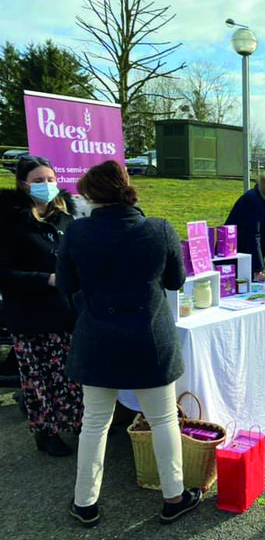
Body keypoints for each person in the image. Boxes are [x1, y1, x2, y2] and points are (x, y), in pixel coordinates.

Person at [56, 161, 201, 528]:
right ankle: (174, 497)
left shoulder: (77, 232)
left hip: (98, 337)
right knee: (164, 420)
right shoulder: (159, 228)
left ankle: (84, 503)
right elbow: (175, 281)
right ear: (127, 187)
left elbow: (65, 286)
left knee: (95, 423)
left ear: (90, 195)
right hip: (148, 337)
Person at [0, 156, 83, 456]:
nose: (47, 186)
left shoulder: (66, 220)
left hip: (65, 312)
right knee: (38, 379)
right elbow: (4, 274)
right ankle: (45, 432)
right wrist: (44, 279)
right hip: (30, 315)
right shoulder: (10, 222)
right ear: (23, 184)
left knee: (68, 374)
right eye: (38, 180)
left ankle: (75, 422)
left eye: (50, 179)